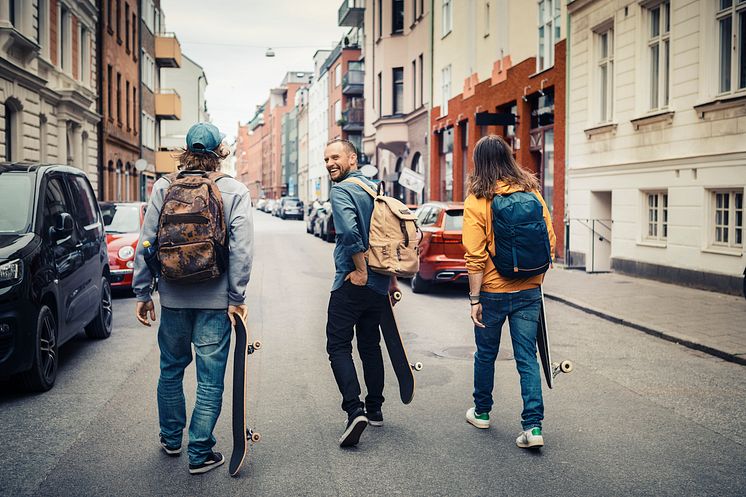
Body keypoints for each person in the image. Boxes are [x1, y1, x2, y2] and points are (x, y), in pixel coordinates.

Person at [132, 122, 254, 474]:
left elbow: (147, 242)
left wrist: (143, 292)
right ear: (220, 153)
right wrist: (236, 296)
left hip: (172, 297)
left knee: (170, 369)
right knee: (210, 378)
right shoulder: (233, 190)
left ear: (185, 151)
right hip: (216, 302)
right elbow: (242, 249)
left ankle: (171, 439)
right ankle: (199, 452)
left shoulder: (163, 187)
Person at [462, 135, 556, 449]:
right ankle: (533, 428)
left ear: (479, 162)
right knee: (527, 357)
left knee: (485, 355)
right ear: (509, 157)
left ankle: (483, 411)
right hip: (530, 292)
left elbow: (474, 255)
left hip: (491, 292)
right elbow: (550, 241)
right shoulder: (532, 191)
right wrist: (532, 279)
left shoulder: (477, 199)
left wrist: (475, 299)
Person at [323, 138, 398, 447]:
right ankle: (376, 407)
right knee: (370, 344)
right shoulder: (373, 188)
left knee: (337, 345)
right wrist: (389, 280)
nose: (329, 163)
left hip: (353, 280)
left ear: (352, 159)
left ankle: (355, 410)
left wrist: (362, 271)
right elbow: (388, 235)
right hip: (379, 283)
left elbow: (351, 232)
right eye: (326, 159)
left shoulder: (341, 190)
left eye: (335, 157)